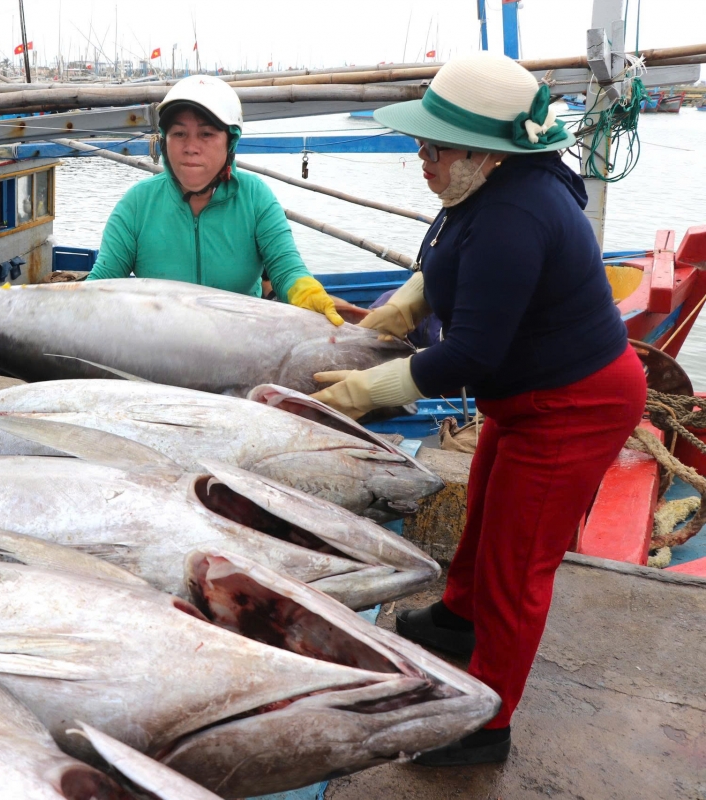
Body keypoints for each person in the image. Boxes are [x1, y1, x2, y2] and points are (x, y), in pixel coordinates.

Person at [309, 52, 647, 765]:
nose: (422, 160)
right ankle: (461, 618)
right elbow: (449, 258)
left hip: (573, 405)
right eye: (421, 145)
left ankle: (485, 720)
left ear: (486, 155)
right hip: (525, 399)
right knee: (486, 511)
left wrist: (368, 389)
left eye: (435, 148)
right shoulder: (489, 190)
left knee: (518, 564)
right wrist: (407, 301)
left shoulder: (518, 215)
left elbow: (470, 358)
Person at [85, 75, 342, 325]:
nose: (191, 147)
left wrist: (308, 293)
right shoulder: (138, 203)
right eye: (179, 134)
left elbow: (287, 270)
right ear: (165, 141)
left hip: (244, 342)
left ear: (231, 142)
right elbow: (102, 283)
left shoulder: (255, 198)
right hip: (160, 344)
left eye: (206, 134)